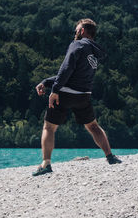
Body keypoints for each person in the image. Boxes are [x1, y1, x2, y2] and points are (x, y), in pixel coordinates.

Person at [32, 18, 121, 175]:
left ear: (82, 31)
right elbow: (73, 74)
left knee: (49, 127)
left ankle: (46, 164)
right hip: (83, 96)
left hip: (65, 94)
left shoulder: (78, 44)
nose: (75, 33)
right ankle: (110, 156)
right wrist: (46, 82)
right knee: (93, 126)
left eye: (76, 30)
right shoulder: (94, 52)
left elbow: (67, 68)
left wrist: (55, 90)